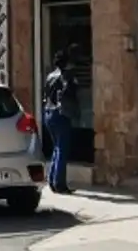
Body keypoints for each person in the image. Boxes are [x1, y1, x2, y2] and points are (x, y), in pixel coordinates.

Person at [42, 49, 77, 194]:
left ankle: (52, 180)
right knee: (62, 148)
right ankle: (59, 183)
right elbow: (68, 92)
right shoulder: (65, 76)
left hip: (48, 112)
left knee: (57, 147)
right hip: (60, 113)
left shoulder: (50, 76)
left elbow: (46, 94)